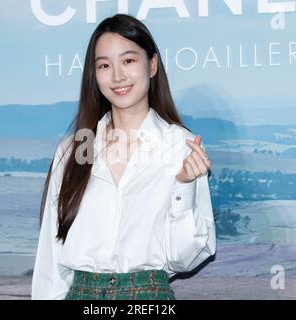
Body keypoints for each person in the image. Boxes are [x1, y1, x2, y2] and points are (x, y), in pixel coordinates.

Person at [31, 13, 216, 300]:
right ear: (94, 74)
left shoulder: (182, 146)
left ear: (152, 65)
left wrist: (183, 185)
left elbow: (184, 259)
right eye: (104, 65)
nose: (117, 76)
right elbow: (50, 263)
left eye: (128, 61)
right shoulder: (73, 150)